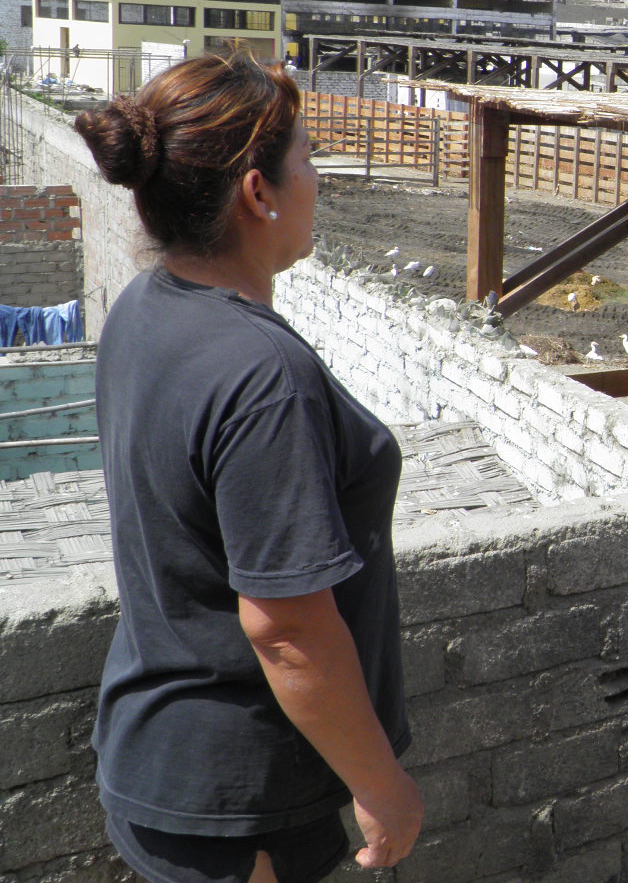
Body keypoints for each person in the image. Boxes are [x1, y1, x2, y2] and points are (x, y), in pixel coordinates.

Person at [76, 54, 422, 883]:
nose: (317, 181)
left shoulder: (144, 307)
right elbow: (287, 629)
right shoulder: (263, 374)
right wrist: (381, 784)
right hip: (237, 798)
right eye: (308, 158)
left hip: (159, 753)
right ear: (258, 193)